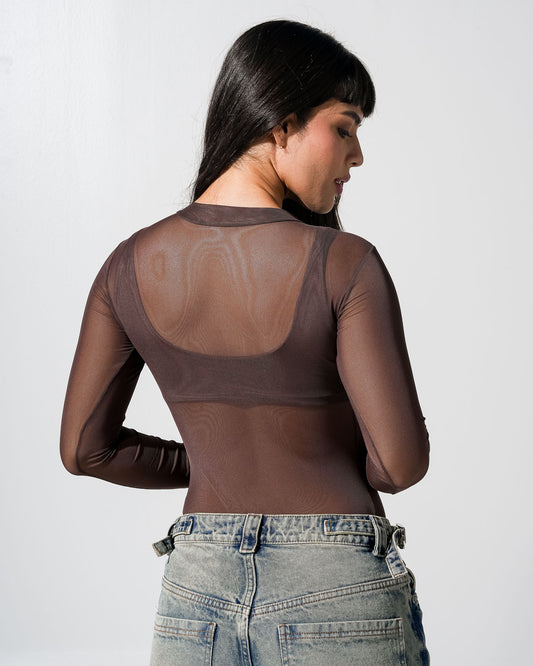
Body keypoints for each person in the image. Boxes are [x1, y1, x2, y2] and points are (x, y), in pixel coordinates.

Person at [60, 19, 430, 665]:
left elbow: (86, 450)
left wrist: (213, 462)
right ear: (281, 124)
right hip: (335, 585)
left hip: (196, 590)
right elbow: (399, 465)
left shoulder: (127, 266)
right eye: (344, 127)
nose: (357, 156)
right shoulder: (343, 262)